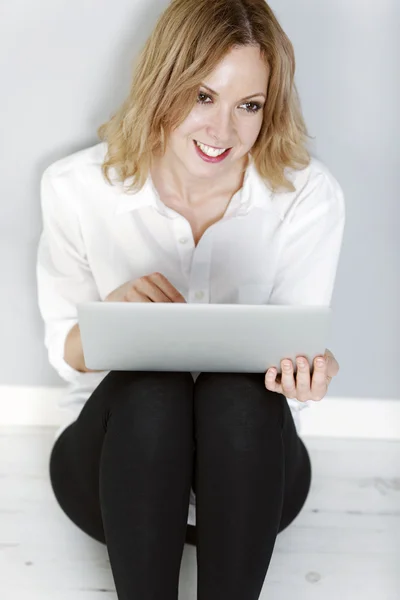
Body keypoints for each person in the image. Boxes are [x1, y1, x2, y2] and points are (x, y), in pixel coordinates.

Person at [36, 0, 345, 598]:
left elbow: (296, 354)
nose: (222, 131)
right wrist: (113, 322)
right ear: (163, 86)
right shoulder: (75, 187)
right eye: (203, 97)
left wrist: (307, 372)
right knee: (155, 386)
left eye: (248, 106)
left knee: (238, 393)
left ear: (269, 108)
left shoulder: (309, 197)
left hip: (253, 483)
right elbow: (64, 352)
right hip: (114, 474)